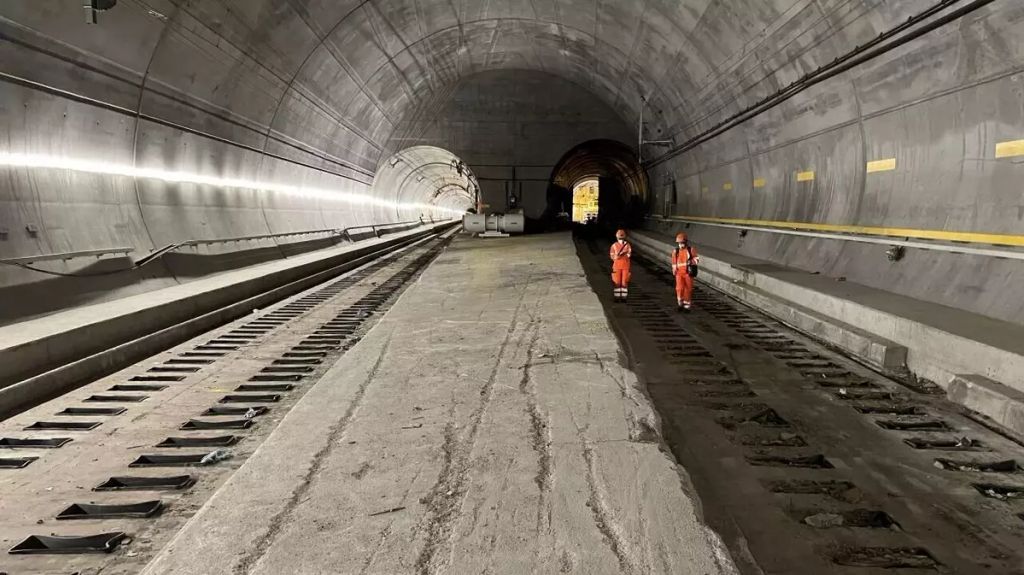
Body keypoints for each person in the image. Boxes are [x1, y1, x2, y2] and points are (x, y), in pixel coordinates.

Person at [671, 232, 700, 311]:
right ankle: (680, 303)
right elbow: (674, 262)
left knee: (688, 289)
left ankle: (686, 306)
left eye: (682, 243)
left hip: (688, 273)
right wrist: (674, 269)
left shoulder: (691, 250)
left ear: (685, 242)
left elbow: (697, 259)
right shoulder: (675, 251)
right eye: (679, 243)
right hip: (679, 273)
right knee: (679, 288)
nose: (680, 245)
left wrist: (691, 262)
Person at [609, 229, 632, 302]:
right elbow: (612, 256)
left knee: (620, 282)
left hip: (621, 266)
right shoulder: (625, 245)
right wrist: (618, 256)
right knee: (620, 282)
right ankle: (621, 297)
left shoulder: (624, 245)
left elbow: (628, 254)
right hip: (622, 266)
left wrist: (619, 256)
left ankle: (620, 298)